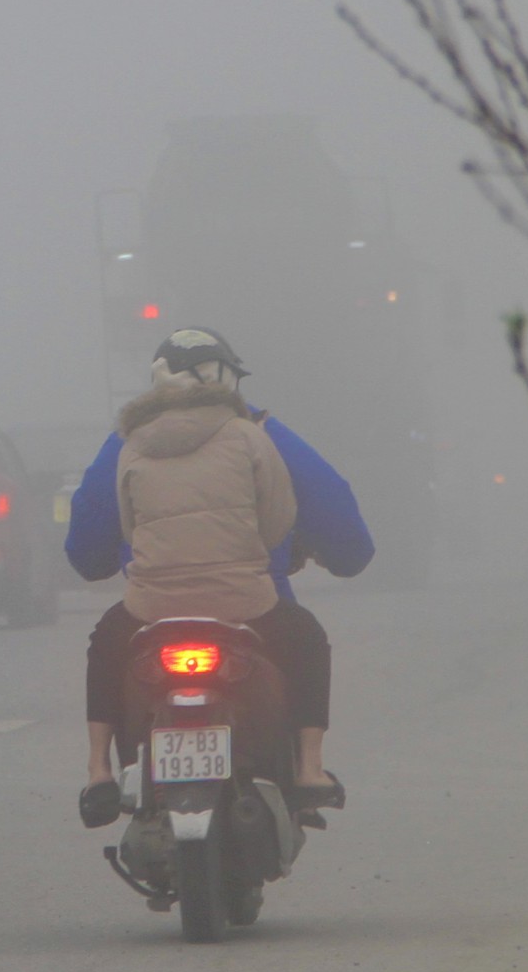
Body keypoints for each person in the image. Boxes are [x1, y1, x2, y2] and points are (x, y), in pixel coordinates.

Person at [67, 328, 373, 825]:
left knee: (106, 647)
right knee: (305, 640)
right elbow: (334, 530)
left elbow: (95, 542)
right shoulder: (256, 433)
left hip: (151, 607)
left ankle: (100, 769)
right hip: (247, 603)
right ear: (226, 379)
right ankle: (308, 769)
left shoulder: (127, 443)